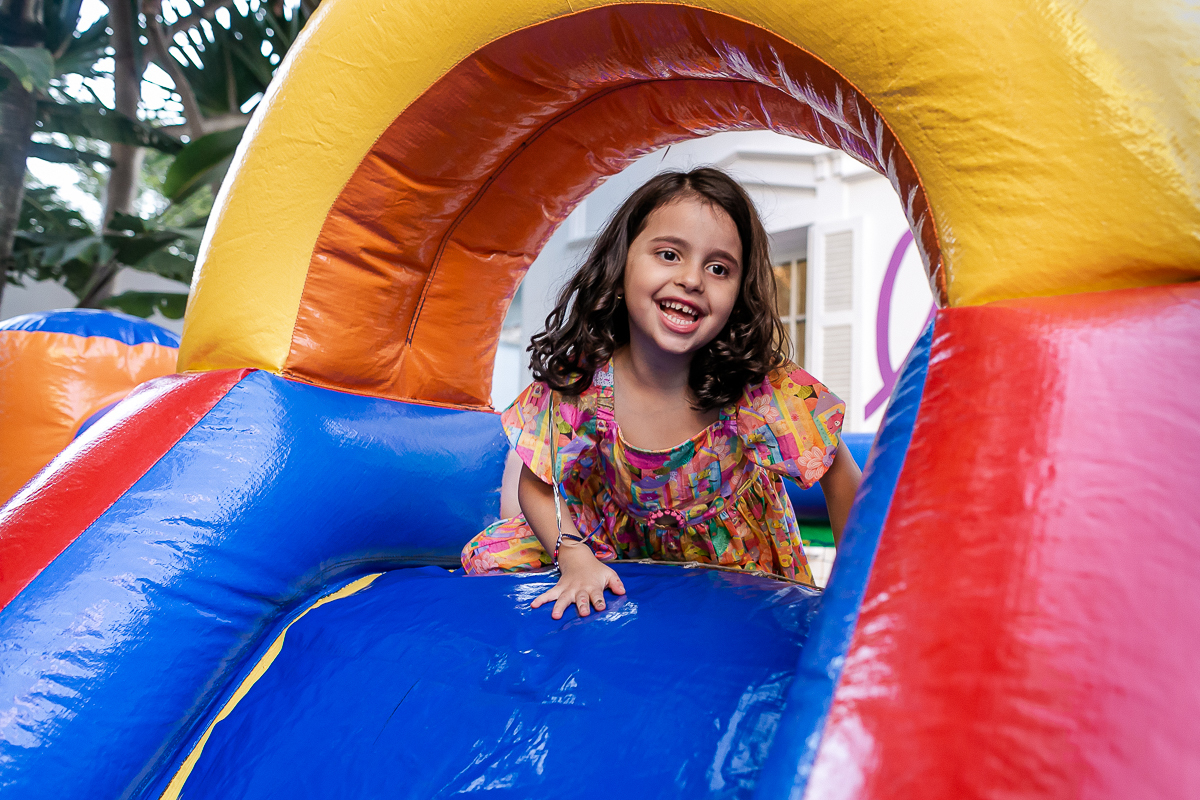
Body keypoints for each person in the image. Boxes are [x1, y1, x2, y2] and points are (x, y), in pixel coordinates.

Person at [461, 167, 862, 619]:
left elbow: (840, 475)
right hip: (613, 541)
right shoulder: (587, 381)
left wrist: (852, 595)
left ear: (739, 293)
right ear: (622, 264)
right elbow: (536, 481)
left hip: (735, 560)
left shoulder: (754, 387)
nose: (692, 279)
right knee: (488, 553)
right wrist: (574, 556)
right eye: (669, 254)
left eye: (718, 268)